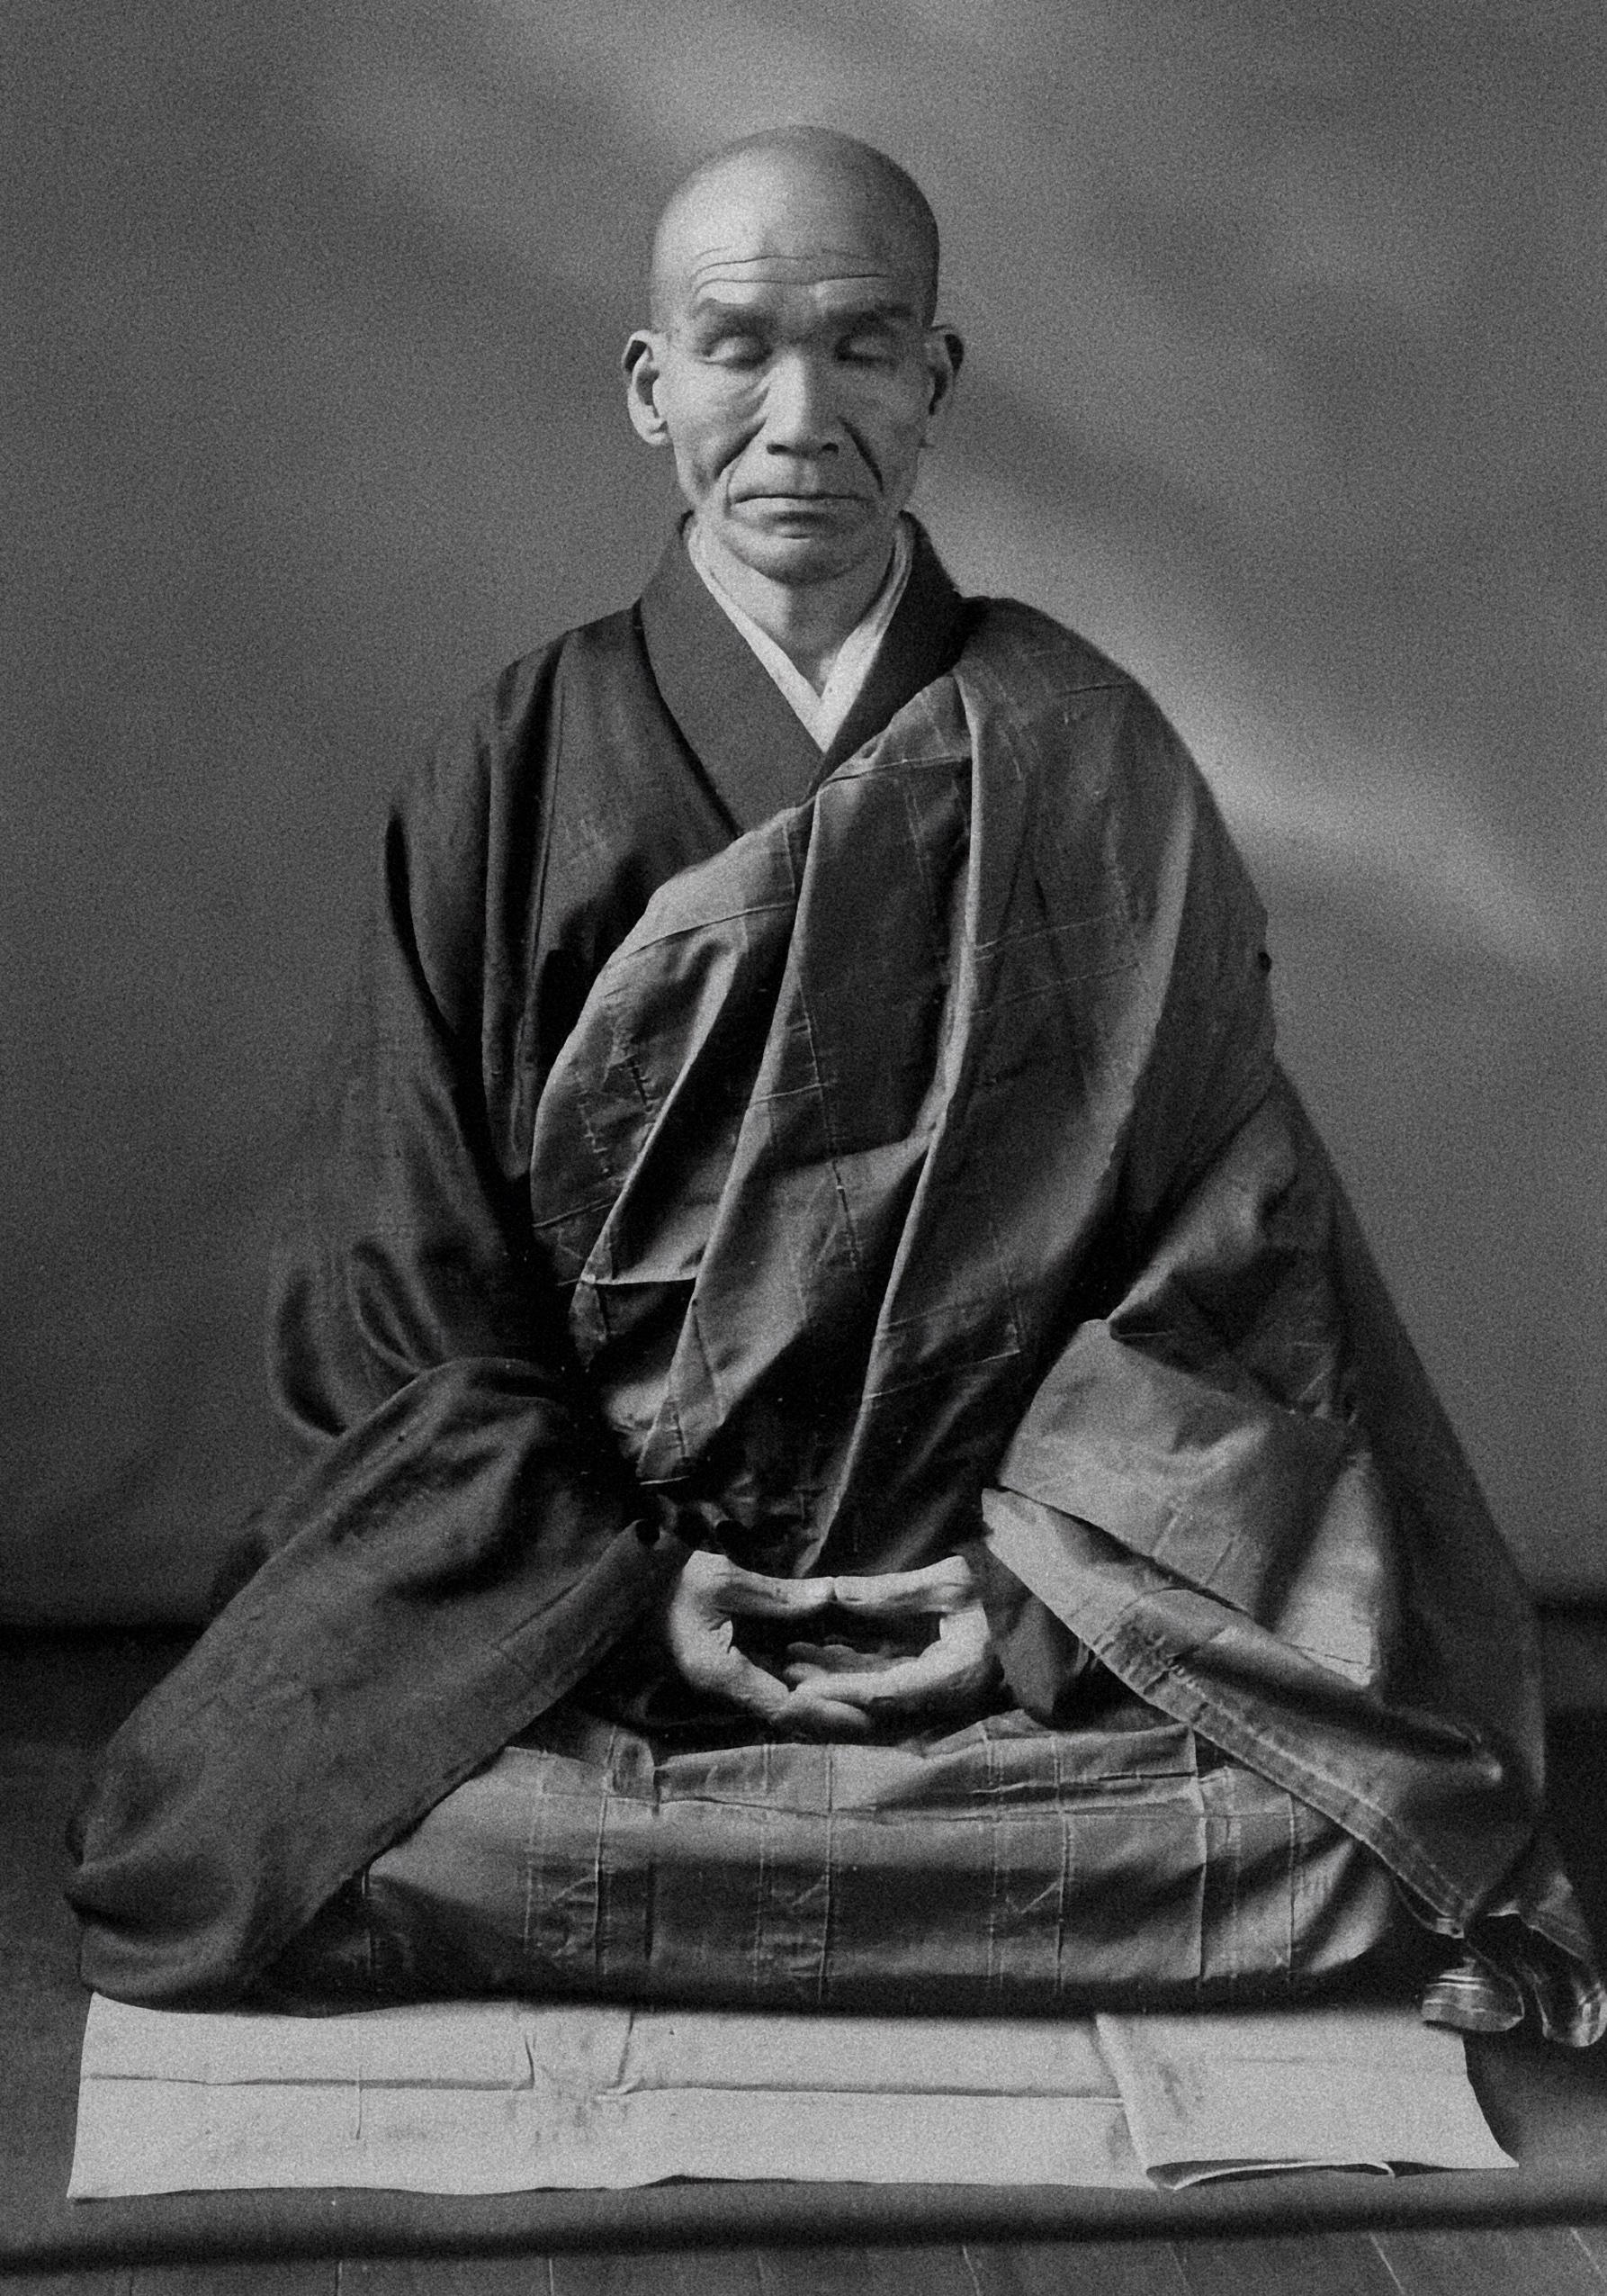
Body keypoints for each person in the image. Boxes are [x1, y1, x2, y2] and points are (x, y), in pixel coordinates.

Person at [67, 129, 1603, 2043]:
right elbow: (409, 1290)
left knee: (1352, 1827)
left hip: (1004, 1617)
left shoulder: (1088, 764)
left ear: (934, 382)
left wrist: (1020, 1591)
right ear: (650, 387)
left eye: (862, 350)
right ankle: (899, 1848)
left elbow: (1229, 1256)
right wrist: (634, 1594)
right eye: (734, 348)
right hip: (600, 1611)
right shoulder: (514, 764)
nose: (798, 419)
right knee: (253, 1836)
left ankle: (819, 1824)